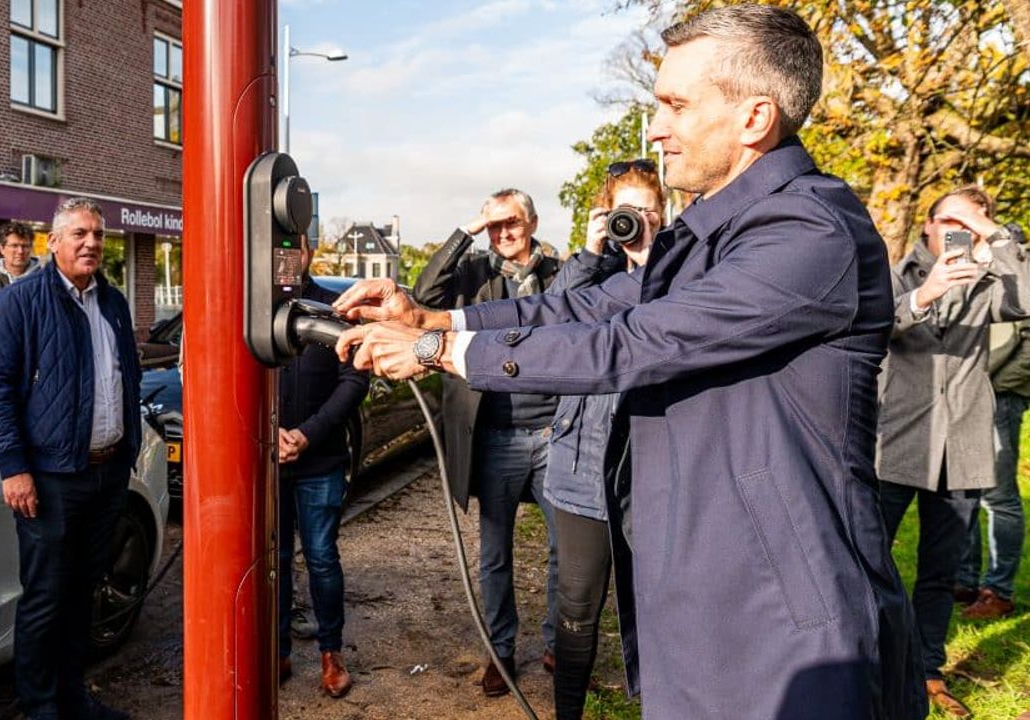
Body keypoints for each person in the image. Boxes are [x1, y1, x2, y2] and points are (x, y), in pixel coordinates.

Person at [331, 5, 925, 718]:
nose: (656, 128)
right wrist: (435, 316)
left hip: (785, 625)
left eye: (675, 105)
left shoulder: (806, 229)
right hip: (703, 596)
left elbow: (638, 342)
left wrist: (438, 353)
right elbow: (583, 308)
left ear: (754, 117)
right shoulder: (716, 231)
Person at [0, 197, 141, 720]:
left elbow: (124, 377)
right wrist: (14, 467)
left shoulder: (113, 302)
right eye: (79, 234)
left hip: (107, 472)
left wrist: (128, 448)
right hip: (49, 479)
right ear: (54, 242)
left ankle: (73, 696)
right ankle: (40, 706)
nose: (91, 243)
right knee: (46, 597)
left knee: (82, 593)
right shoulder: (18, 302)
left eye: (98, 235)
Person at [877, 187, 1030, 717]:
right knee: (872, 560)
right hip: (897, 441)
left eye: (967, 222)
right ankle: (869, 662)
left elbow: (1028, 298)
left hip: (961, 444)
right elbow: (875, 327)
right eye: (947, 220)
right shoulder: (899, 273)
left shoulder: (989, 278)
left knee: (940, 573)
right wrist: (925, 295)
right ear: (926, 226)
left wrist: (996, 236)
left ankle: (926, 670)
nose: (954, 231)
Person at [412, 188, 563, 697]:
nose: (503, 234)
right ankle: (500, 650)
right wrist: (468, 230)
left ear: (533, 222)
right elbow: (424, 294)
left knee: (566, 548)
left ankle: (558, 643)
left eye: (511, 223)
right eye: (494, 225)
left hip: (552, 432)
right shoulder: (476, 273)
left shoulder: (560, 274)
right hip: (496, 436)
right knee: (494, 552)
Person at [545, 160, 663, 720]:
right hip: (579, 469)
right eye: (625, 213)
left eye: (647, 211)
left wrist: (650, 260)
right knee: (576, 607)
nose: (635, 222)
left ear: (664, 214)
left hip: (650, 474)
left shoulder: (683, 272)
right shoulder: (590, 275)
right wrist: (591, 254)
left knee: (658, 606)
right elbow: (554, 323)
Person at [275, 238, 369, 699]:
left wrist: (306, 434)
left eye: (295, 247)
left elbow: (354, 381)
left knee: (321, 558)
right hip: (267, 460)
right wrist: (271, 433)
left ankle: (331, 653)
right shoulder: (255, 308)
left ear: (310, 251)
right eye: (277, 249)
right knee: (272, 561)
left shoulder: (333, 308)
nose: (287, 257)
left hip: (321, 459)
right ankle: (277, 650)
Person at [957, 298, 1029, 620]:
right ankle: (965, 580)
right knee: (963, 490)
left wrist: (997, 384)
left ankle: (998, 591)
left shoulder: (1015, 261)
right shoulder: (965, 260)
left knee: (998, 496)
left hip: (999, 395)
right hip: (962, 391)